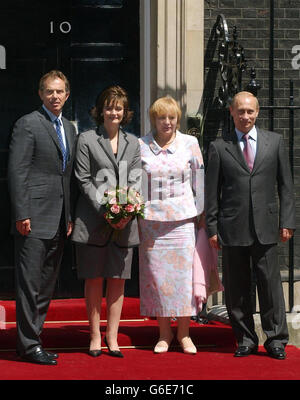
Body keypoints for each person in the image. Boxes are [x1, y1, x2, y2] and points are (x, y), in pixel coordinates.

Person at [205, 91, 296, 360]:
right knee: (237, 287)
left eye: (250, 111)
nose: (246, 116)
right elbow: (212, 192)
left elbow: (286, 186)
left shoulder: (275, 142)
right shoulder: (219, 147)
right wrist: (211, 228)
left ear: (257, 113)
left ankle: (276, 339)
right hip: (232, 227)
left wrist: (287, 221)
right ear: (231, 112)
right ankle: (244, 339)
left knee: (270, 286)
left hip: (267, 226)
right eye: (241, 111)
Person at [8, 70, 77, 365]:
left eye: (60, 91)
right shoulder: (28, 124)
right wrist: (21, 212)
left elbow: (68, 176)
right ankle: (29, 344)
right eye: (50, 91)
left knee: (46, 284)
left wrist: (70, 214)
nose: (55, 96)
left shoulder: (70, 129)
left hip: (60, 219)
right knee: (30, 284)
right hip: (33, 219)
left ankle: (31, 340)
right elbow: (17, 171)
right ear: (40, 94)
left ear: (67, 94)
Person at [71, 85, 141, 358]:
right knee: (94, 279)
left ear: (125, 113)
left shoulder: (133, 143)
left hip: (124, 224)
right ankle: (95, 336)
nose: (114, 112)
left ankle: (113, 337)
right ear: (100, 111)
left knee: (117, 280)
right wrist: (107, 211)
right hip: (93, 219)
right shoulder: (87, 139)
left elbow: (136, 178)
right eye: (109, 107)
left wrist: (125, 213)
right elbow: (83, 179)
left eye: (119, 108)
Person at [138, 96, 204, 355]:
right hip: (152, 222)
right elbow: (132, 180)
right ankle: (164, 334)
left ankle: (185, 334)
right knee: (158, 279)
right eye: (161, 117)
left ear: (178, 119)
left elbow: (200, 180)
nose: (167, 122)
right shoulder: (140, 145)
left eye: (172, 117)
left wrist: (201, 214)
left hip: (183, 221)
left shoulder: (190, 143)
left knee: (183, 278)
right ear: (153, 119)